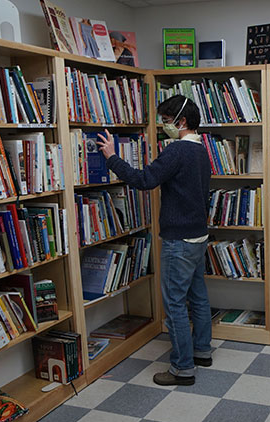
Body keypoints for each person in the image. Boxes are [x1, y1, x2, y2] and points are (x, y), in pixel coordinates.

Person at [96, 95, 212, 386]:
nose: (163, 126)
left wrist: (112, 157)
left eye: (165, 120)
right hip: (199, 235)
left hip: (179, 239)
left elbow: (144, 179)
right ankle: (202, 351)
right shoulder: (201, 149)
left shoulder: (177, 151)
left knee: (174, 304)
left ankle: (183, 369)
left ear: (181, 121)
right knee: (197, 296)